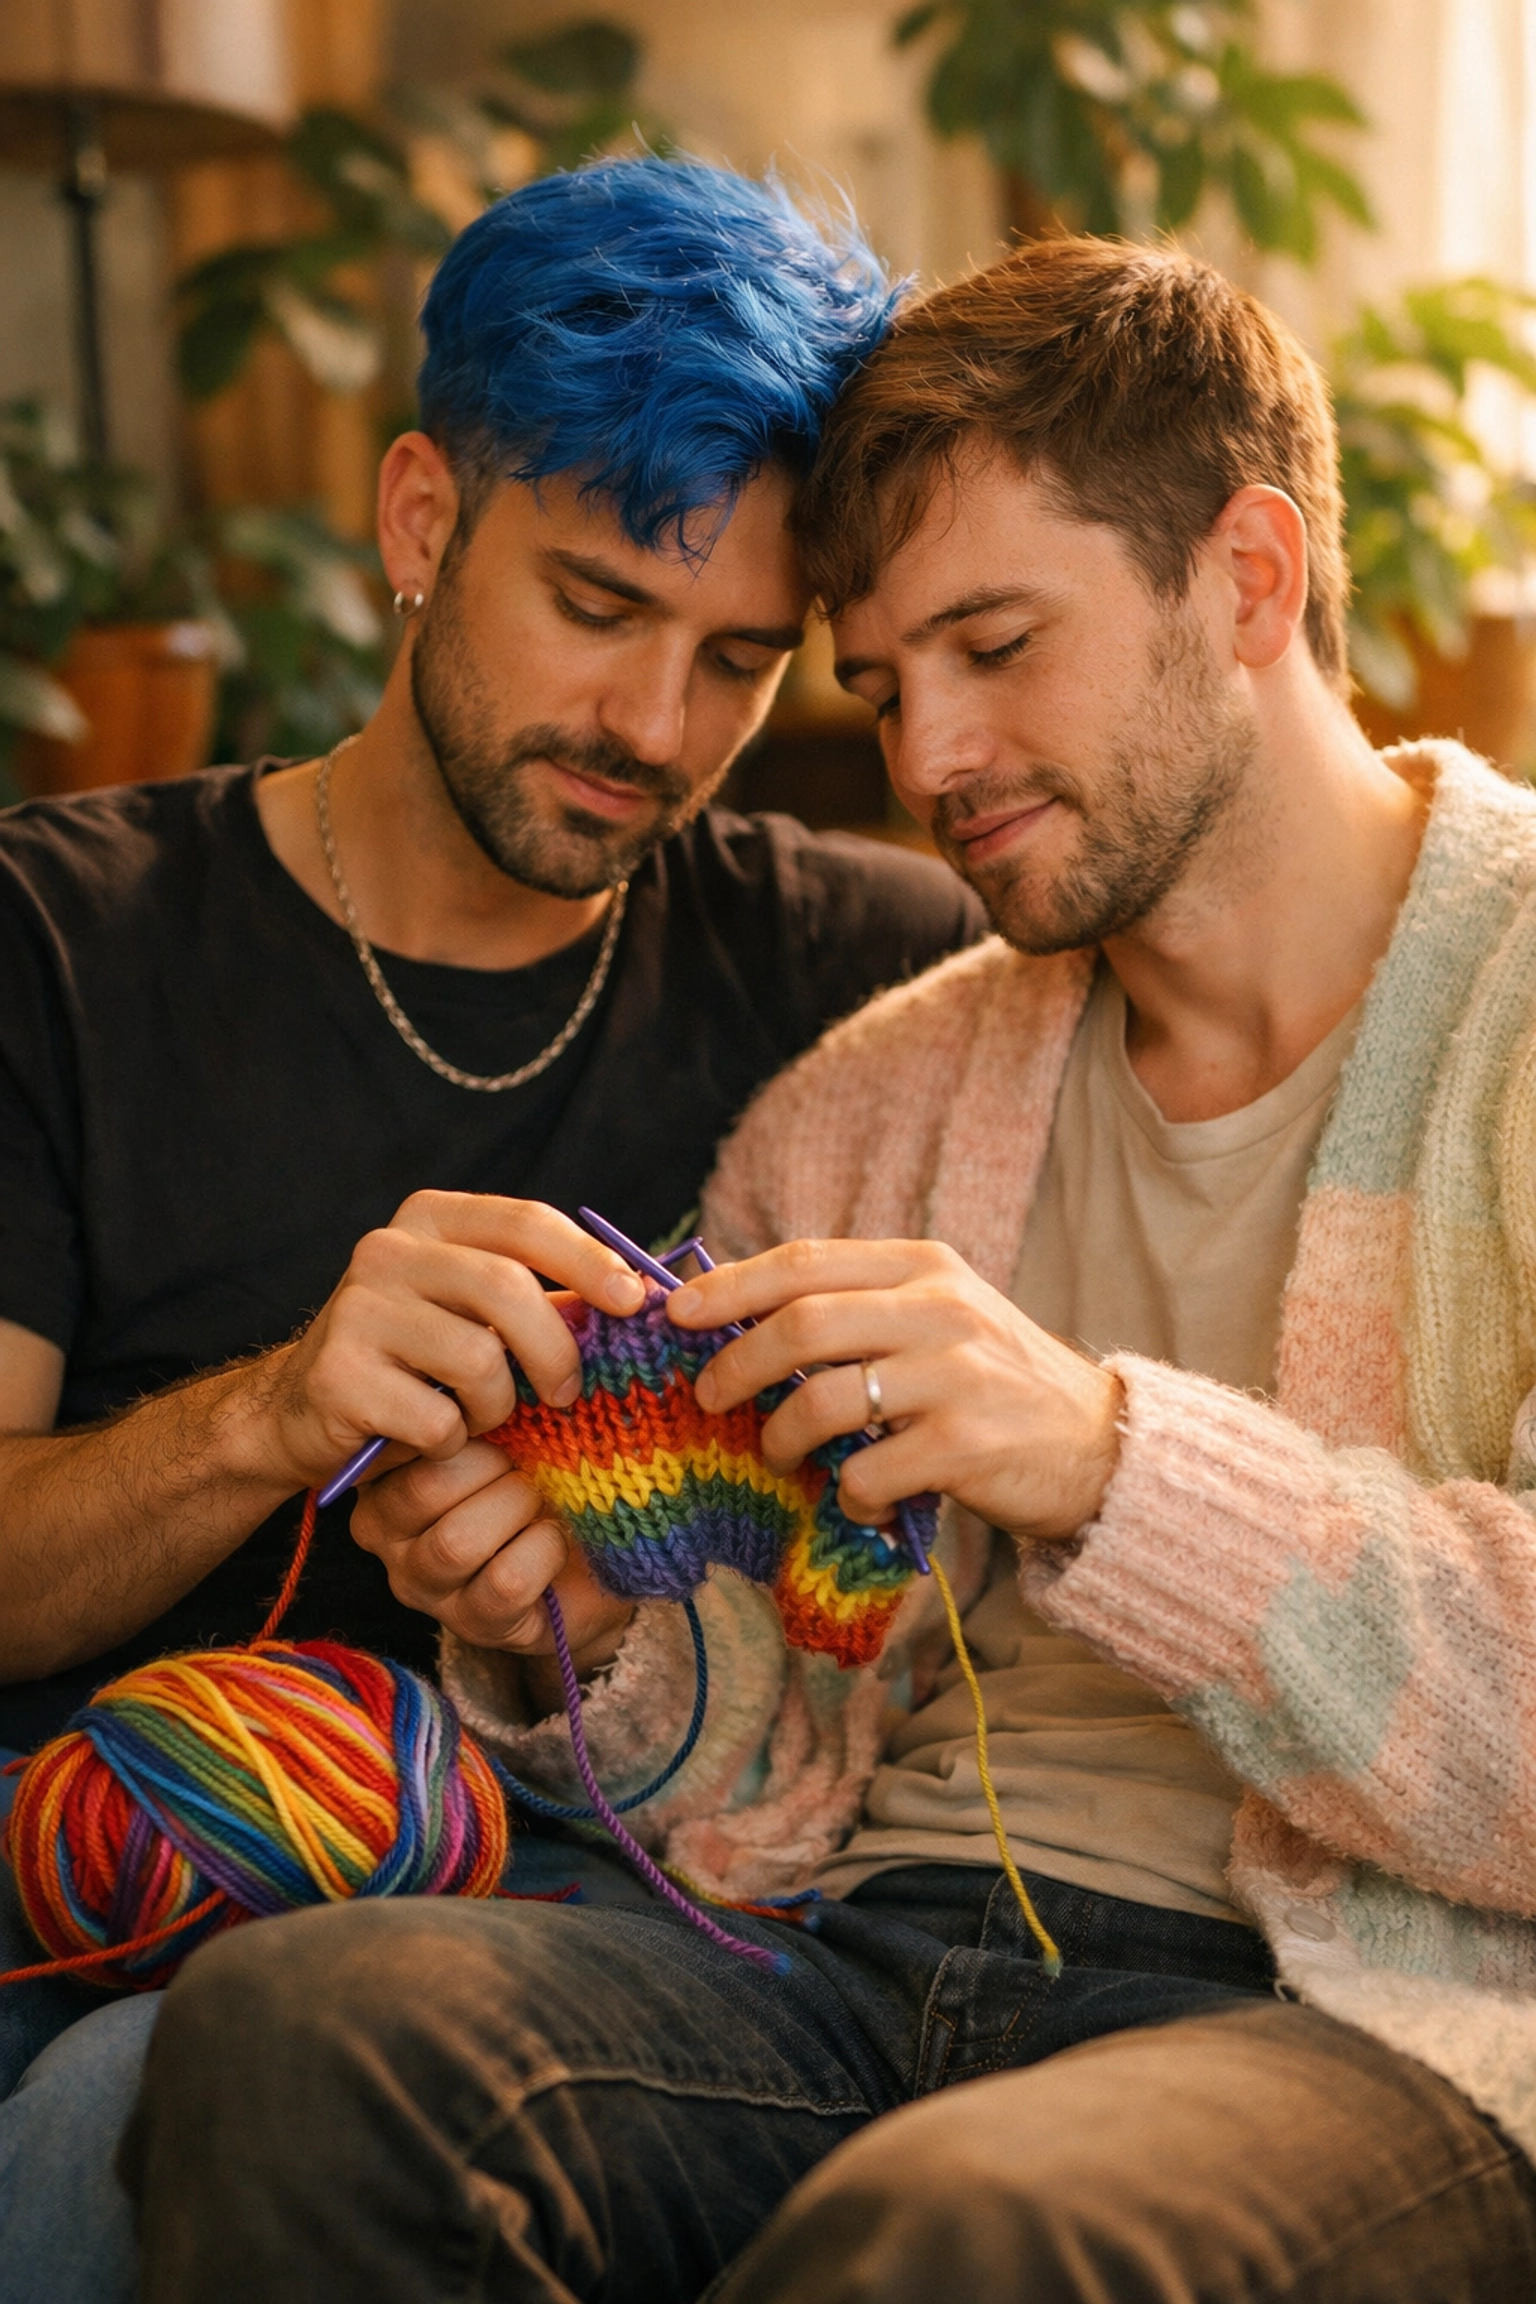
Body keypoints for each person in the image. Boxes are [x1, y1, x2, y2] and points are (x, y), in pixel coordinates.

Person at [122, 237, 1536, 2302]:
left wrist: (1108, 1455)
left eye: (995, 644)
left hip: (1344, 2022)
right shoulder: (872, 1101)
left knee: (968, 2230)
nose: (929, 762)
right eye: (878, 681)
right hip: (858, 1970)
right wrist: (581, 1622)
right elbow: (751, 1750)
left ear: (1248, 579)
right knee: (301, 2033)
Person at [0, 156, 986, 2293]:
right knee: (102, 2106)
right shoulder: (57, 942)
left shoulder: (878, 978)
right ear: (423, 524)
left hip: (622, 1925)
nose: (659, 730)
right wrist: (263, 1418)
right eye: (601, 608)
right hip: (122, 1882)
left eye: (741, 658)